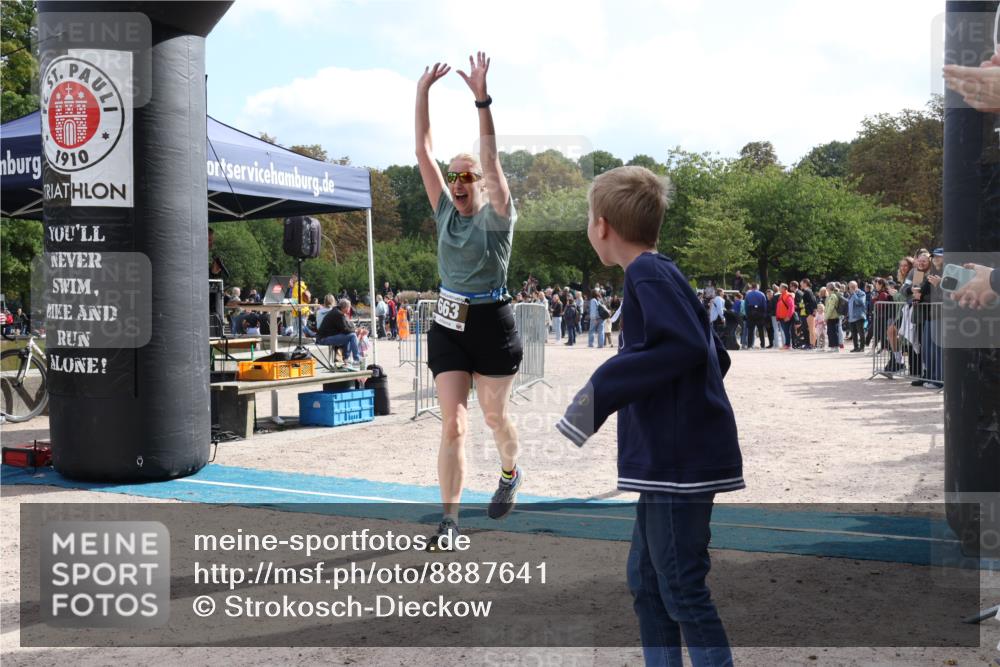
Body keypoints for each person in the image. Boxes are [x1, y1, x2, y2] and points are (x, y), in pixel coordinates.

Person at [556, 166, 742, 666]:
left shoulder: (646, 273)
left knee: (680, 588)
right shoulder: (662, 270)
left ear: (601, 226)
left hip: (677, 464)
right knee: (647, 582)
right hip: (669, 461)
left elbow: (683, 346)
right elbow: (712, 355)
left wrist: (594, 396)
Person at [415, 53, 524, 550]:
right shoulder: (443, 210)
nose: (457, 182)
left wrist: (481, 99)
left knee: (494, 417)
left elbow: (493, 159)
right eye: (453, 175)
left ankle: (508, 472)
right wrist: (423, 92)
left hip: (493, 323)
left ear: (480, 183)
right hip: (448, 322)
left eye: (466, 176)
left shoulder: (498, 214)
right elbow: (422, 149)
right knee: (453, 423)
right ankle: (450, 520)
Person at [316, 298, 365, 370]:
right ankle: (356, 360)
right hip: (323, 339)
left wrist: (355, 329)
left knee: (349, 336)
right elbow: (345, 330)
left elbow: (347, 326)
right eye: (349, 307)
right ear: (346, 307)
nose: (350, 309)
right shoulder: (338, 314)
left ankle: (347, 360)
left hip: (324, 337)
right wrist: (356, 331)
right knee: (352, 336)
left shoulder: (337, 311)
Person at [287, 273, 314, 338]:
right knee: (302, 331)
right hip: (304, 309)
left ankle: (298, 345)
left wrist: (288, 302)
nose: (291, 279)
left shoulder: (296, 286)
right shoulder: (302, 285)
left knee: (297, 333)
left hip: (298, 311)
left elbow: (295, 300)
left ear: (296, 278)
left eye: (293, 277)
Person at [743, 283, 768, 349]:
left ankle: (749, 345)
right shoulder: (762, 294)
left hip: (751, 313)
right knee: (761, 331)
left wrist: (747, 314)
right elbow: (764, 305)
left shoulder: (748, 295)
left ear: (752, 287)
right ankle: (762, 345)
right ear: (757, 287)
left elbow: (746, 306)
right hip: (760, 313)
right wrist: (764, 314)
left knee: (750, 331)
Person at [847, 281, 867, 353]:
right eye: (849, 287)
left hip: (859, 316)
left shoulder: (861, 293)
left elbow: (860, 302)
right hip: (851, 317)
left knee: (861, 333)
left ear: (856, 286)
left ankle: (862, 348)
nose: (850, 289)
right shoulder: (851, 295)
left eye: (852, 287)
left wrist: (854, 293)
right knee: (854, 333)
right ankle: (856, 347)